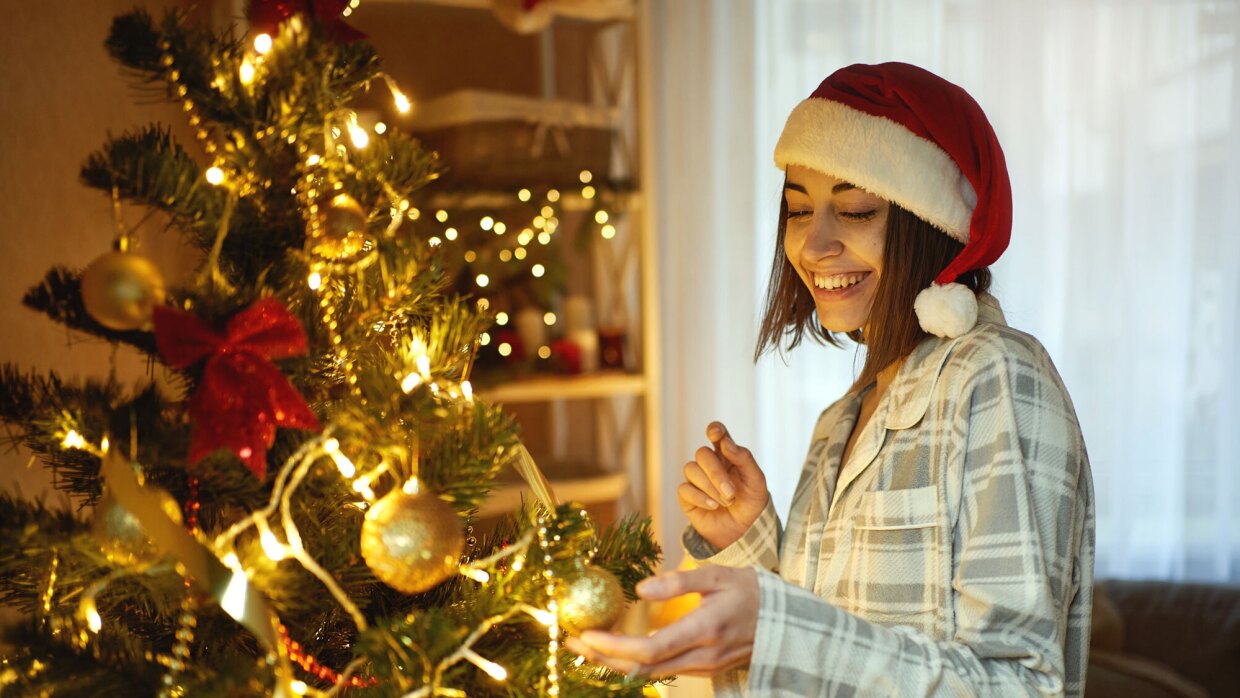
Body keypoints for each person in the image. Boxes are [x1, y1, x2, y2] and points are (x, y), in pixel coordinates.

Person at [564, 62, 1096, 696]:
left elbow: (1024, 686)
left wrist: (780, 631)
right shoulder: (837, 424)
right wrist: (747, 544)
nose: (813, 245)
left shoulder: (1000, 379)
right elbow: (815, 664)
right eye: (797, 211)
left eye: (855, 209)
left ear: (933, 226)